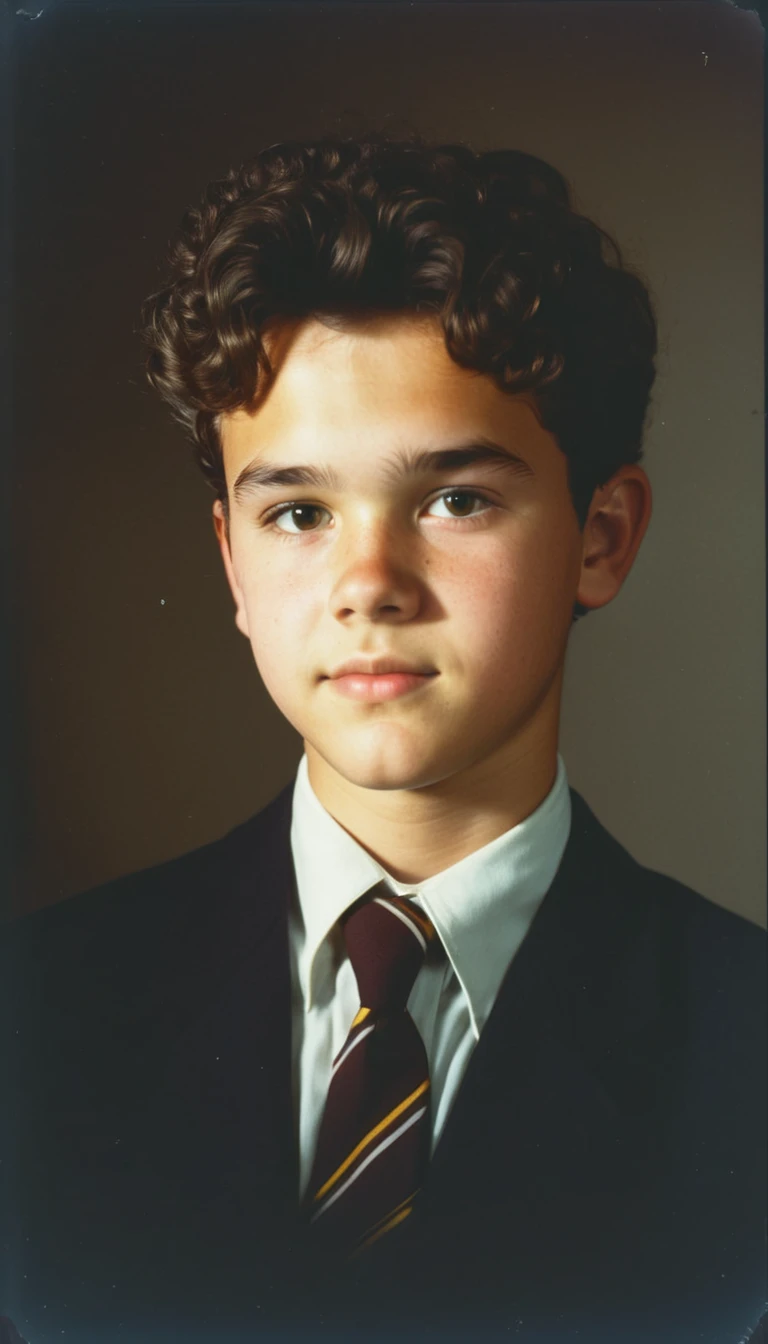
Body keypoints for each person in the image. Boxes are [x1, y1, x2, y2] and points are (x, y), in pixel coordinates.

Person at [1, 130, 765, 1344]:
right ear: (232, 568)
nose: (368, 582)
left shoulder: (745, 1047)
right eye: (299, 511)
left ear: (602, 538)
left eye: (455, 499)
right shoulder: (36, 1013)